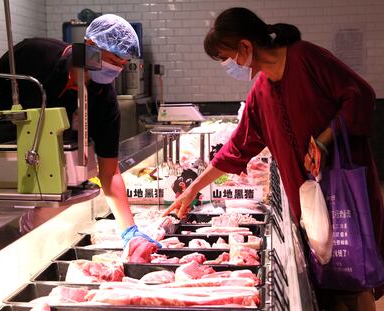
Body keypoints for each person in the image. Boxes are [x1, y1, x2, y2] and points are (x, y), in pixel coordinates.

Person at [163, 7, 384, 310]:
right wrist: (192, 189)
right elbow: (237, 147)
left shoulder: (305, 57)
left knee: (351, 280)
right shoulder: (260, 92)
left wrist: (323, 140)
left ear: (245, 47)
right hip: (306, 202)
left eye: (227, 57)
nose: (229, 65)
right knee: (325, 285)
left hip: (343, 193)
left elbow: (360, 95)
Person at [0, 14, 158, 248]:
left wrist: (130, 231)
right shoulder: (35, 53)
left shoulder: (104, 99)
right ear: (89, 46)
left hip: (45, 182)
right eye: (113, 60)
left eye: (122, 64)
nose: (117, 69)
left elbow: (109, 172)